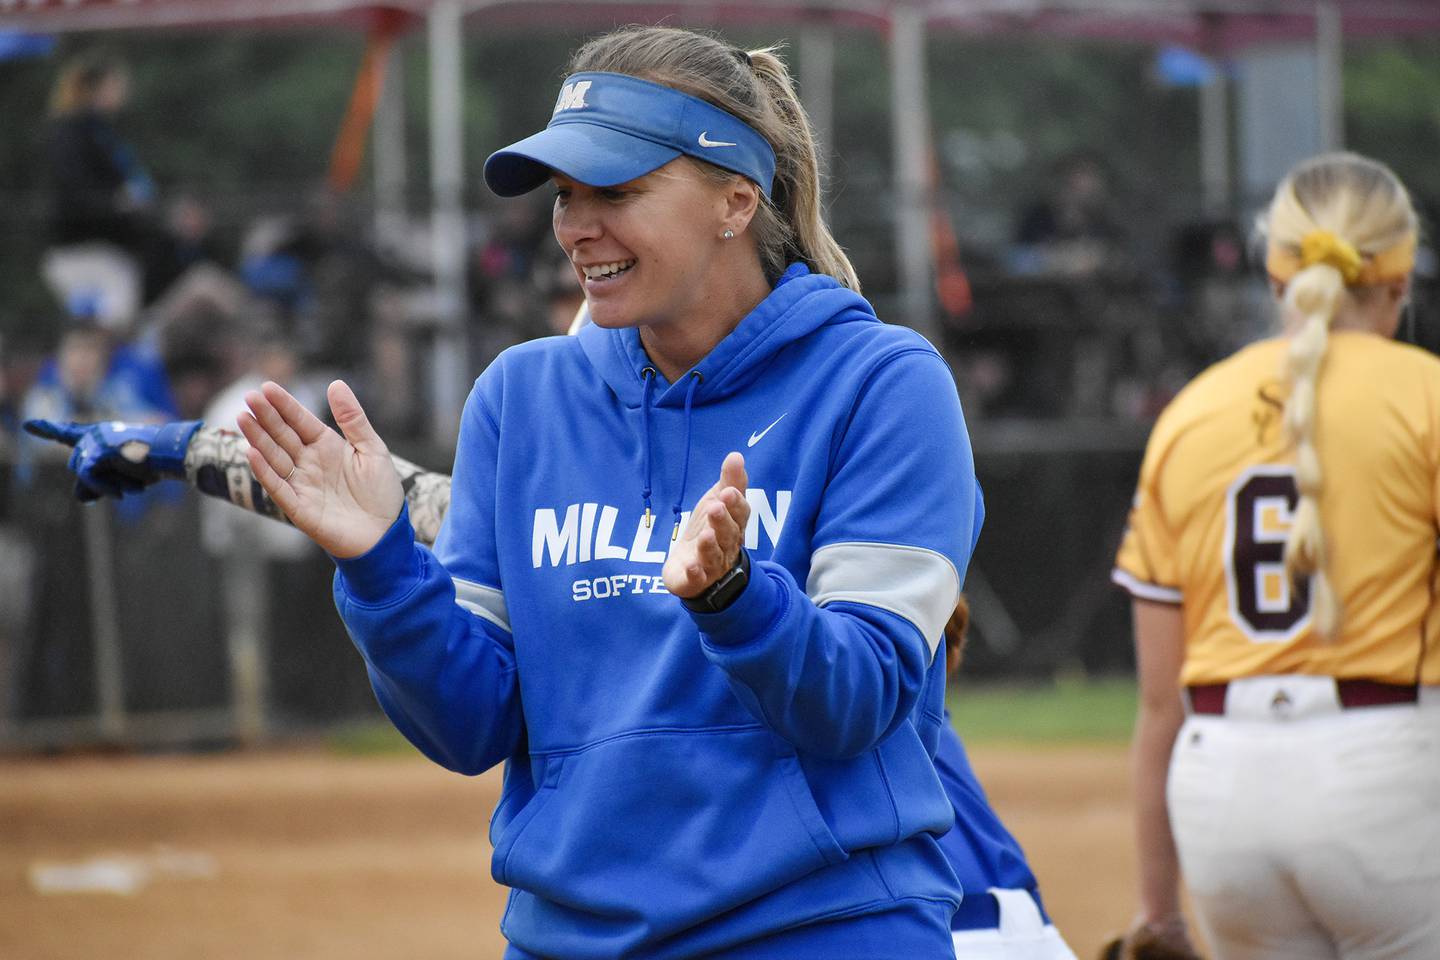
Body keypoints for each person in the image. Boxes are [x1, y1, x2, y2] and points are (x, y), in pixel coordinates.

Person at [199, 26, 980, 959]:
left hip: (819, 928)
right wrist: (381, 568)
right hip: (570, 938)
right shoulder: (520, 397)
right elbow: (470, 724)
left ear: (737, 199)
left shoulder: (883, 382)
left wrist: (736, 599)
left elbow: (857, 699)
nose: (575, 226)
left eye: (616, 190)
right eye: (566, 195)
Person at [1111, 152, 1440, 959]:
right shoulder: (1426, 395)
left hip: (1221, 790)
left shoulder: (1190, 415)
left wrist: (1160, 913)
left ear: (1273, 272)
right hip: (1385, 766)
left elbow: (1160, 708)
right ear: (1400, 278)